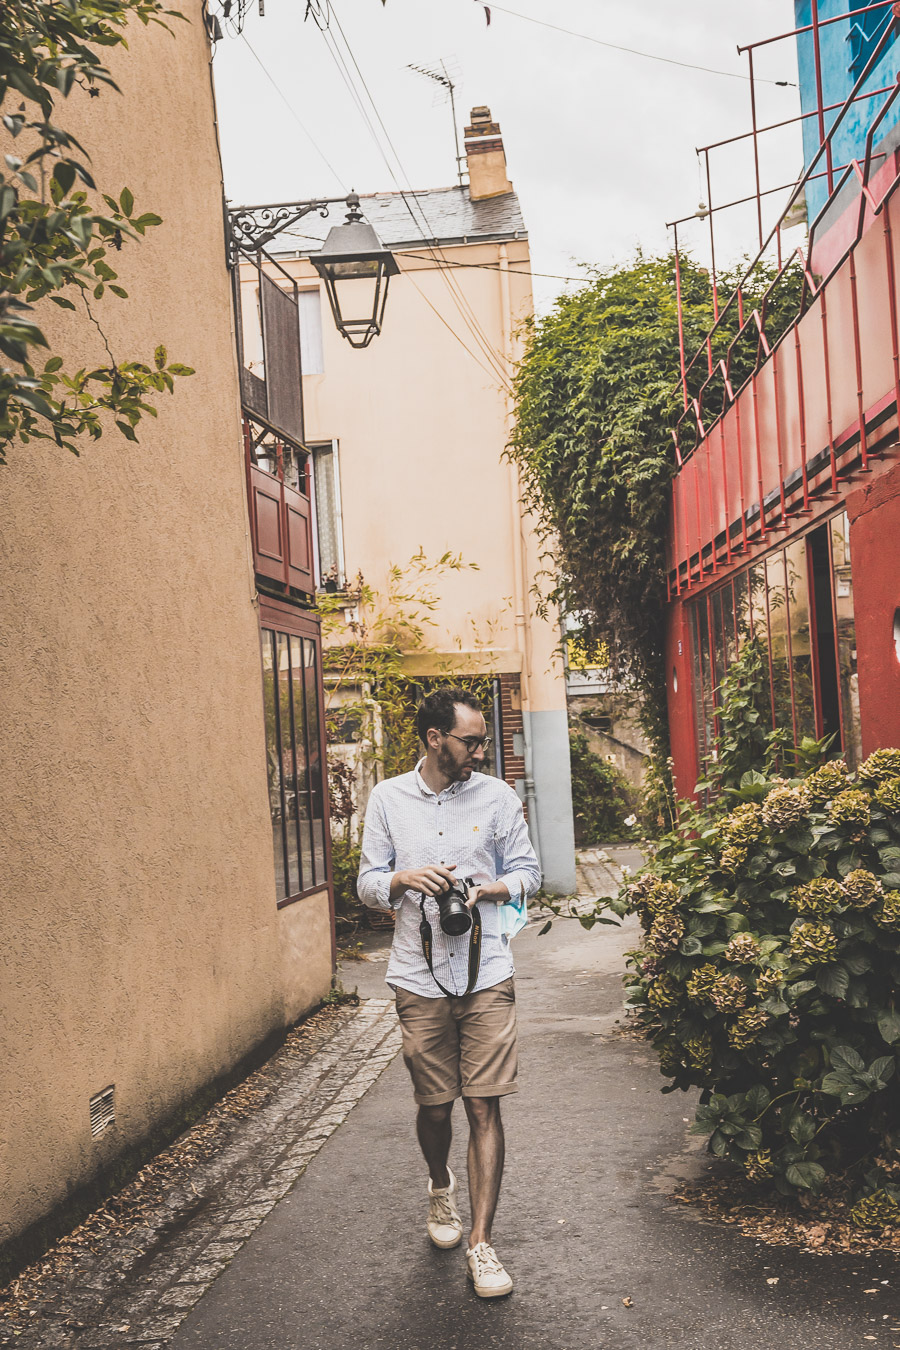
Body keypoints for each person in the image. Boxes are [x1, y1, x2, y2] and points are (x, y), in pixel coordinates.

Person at [357, 686, 541, 1299]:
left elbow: (528, 872)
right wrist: (401, 880)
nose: (480, 751)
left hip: (487, 969)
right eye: (471, 741)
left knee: (483, 1103)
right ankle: (441, 1187)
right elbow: (364, 882)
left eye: (482, 740)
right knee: (435, 1106)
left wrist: (487, 891)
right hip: (418, 975)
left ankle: (481, 1244)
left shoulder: (497, 795)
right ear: (436, 739)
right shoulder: (388, 798)